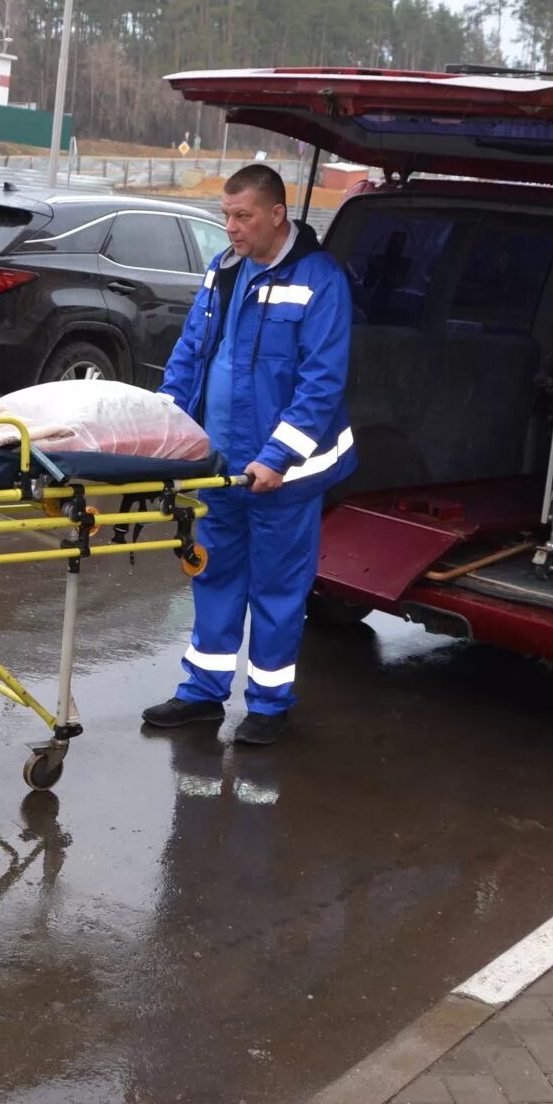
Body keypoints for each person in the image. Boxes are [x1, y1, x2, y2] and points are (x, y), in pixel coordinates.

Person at [143, 163, 355, 745]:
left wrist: (276, 457)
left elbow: (320, 382)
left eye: (243, 216)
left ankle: (267, 703)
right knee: (212, 576)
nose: (230, 228)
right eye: (226, 215)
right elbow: (192, 351)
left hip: (282, 475)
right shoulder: (224, 271)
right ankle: (202, 694)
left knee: (277, 588)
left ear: (276, 215)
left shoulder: (319, 281)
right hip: (220, 466)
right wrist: (165, 422)